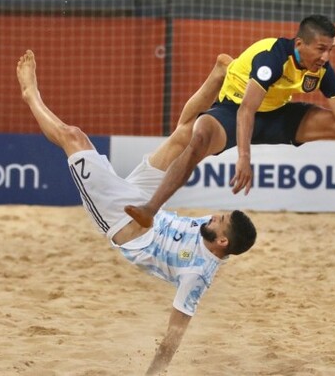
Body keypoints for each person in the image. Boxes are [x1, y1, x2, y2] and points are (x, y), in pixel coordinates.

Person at [16, 50, 257, 376]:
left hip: (119, 217)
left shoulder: (197, 275)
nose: (212, 216)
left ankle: (31, 94)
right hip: (147, 203)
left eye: (220, 220)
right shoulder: (212, 232)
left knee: (73, 137)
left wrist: (154, 372)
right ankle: (218, 72)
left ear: (223, 242)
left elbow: (174, 335)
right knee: (183, 135)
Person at [125, 14, 335, 228]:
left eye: (331, 50)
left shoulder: (321, 70)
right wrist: (244, 158)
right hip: (234, 109)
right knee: (195, 138)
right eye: (321, 49)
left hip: (277, 114)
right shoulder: (272, 58)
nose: (326, 56)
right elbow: (246, 110)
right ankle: (150, 210)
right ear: (300, 44)